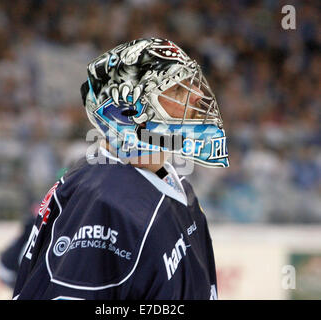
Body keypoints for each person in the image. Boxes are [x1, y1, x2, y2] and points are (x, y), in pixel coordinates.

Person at [13, 38, 229, 300]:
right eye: (176, 90)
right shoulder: (103, 203)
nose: (197, 96)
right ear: (130, 110)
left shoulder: (179, 187)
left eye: (192, 84)